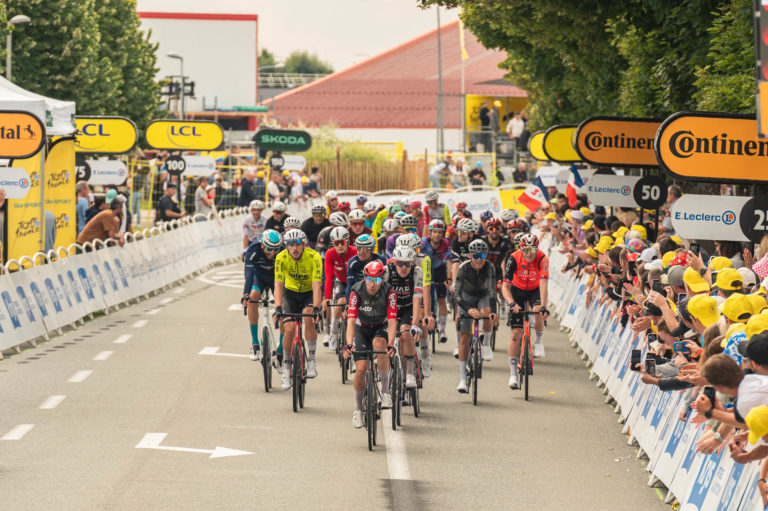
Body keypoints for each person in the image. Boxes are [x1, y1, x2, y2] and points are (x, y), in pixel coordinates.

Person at [343, 260, 397, 428]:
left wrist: (391, 343)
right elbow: (351, 321)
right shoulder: (356, 292)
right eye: (369, 279)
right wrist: (348, 344)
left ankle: (386, 391)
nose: (373, 284)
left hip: (380, 326)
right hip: (361, 328)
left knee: (380, 344)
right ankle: (358, 410)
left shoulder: (390, 293)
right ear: (364, 278)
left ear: (383, 280)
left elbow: (393, 319)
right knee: (360, 369)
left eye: (378, 280)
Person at [274, 229, 323, 389]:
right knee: (288, 329)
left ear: (303, 245)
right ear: (286, 246)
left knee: (309, 317)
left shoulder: (314, 257)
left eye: (297, 245)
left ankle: (311, 360)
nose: (294, 248)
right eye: (290, 245)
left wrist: (316, 308)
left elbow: (317, 286)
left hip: (309, 293)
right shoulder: (281, 257)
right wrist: (278, 308)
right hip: (290, 294)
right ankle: (286, 367)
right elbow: (278, 285)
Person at [502, 233, 550, 389]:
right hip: (517, 290)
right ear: (521, 249)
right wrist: (511, 303)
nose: (529, 253)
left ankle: (538, 341)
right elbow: (505, 286)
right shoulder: (513, 258)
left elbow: (543, 284)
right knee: (516, 333)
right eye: (526, 250)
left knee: (537, 312)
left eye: (533, 250)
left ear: (537, 249)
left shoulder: (542, 259)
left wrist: (543, 306)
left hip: (534, 289)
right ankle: (513, 374)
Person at [455, 239, 498, 392]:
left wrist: (493, 312)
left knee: (486, 313)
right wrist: (468, 309)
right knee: (465, 338)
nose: (479, 259)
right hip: (466, 296)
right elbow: (457, 296)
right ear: (470, 256)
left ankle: (486, 344)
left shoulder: (490, 267)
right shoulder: (463, 268)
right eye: (476, 256)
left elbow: (492, 291)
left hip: (483, 295)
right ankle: (462, 379)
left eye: (482, 255)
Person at [386, 245, 424, 389]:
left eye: (407, 264)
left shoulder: (417, 272)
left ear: (412, 263)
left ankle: (410, 372)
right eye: (400, 264)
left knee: (406, 334)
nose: (403, 268)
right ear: (394, 262)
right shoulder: (387, 271)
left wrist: (414, 324)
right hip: (391, 308)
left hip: (408, 307)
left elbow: (417, 298)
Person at [242, 229, 282, 360]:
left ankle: (281, 346)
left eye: (276, 249)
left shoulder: (283, 249)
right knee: (253, 297)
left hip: (276, 277)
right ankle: (255, 343)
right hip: (259, 277)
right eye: (269, 248)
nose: (273, 252)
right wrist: (246, 294)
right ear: (262, 245)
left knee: (283, 304)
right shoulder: (253, 249)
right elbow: (249, 274)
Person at [322, 226, 357, 350]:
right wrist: (327, 297)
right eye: (336, 243)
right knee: (339, 304)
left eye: (342, 242)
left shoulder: (354, 252)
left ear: (347, 241)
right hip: (340, 281)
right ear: (333, 244)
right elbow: (329, 278)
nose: (340, 246)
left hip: (354, 281)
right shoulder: (330, 254)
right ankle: (333, 332)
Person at [346, 234, 386, 299]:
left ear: (372, 249)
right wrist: (348, 304)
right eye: (359, 248)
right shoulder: (352, 262)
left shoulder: (380, 260)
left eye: (366, 249)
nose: (361, 252)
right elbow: (349, 285)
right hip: (359, 293)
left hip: (376, 293)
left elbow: (385, 284)